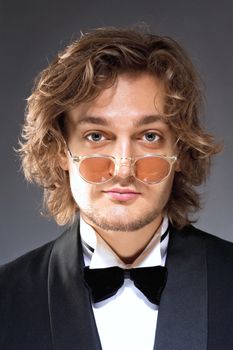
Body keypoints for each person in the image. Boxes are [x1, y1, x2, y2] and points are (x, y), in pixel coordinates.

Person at [0, 27, 232, 350]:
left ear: (180, 151)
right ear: (60, 150)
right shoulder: (6, 298)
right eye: (96, 136)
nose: (124, 169)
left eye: (149, 136)